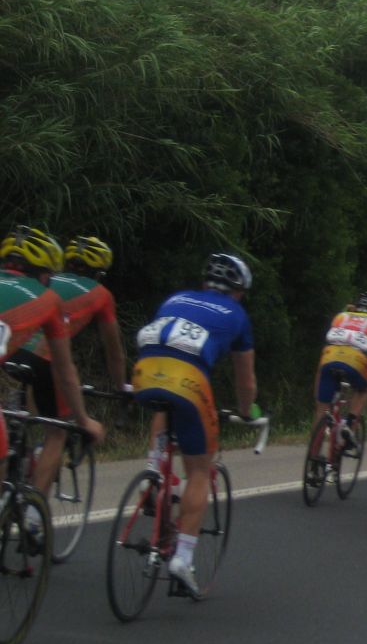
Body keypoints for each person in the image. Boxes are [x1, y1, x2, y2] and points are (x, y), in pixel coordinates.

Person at [132, 252, 258, 597]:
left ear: (205, 282)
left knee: (164, 402)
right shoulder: (237, 314)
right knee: (200, 470)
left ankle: (153, 471)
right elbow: (245, 381)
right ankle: (183, 559)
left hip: (144, 373)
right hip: (188, 381)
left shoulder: (175, 298)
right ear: (239, 291)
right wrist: (246, 412)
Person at [11, 234, 124, 499]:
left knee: (19, 418)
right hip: (44, 358)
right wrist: (121, 387)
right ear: (100, 273)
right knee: (57, 430)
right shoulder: (101, 294)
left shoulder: (43, 282)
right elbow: (114, 351)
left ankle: (18, 462)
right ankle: (34, 513)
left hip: (12, 349)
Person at [313, 291, 367, 452]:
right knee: (363, 389)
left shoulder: (342, 315)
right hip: (355, 358)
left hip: (329, 355)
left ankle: (314, 456)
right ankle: (349, 426)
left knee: (322, 409)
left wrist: (317, 397)